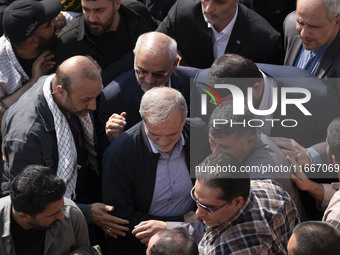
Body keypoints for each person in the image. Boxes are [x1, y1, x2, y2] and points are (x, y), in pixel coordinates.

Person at [1, 56, 129, 243]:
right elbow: (30, 201)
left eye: (96, 97)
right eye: (86, 100)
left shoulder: (65, 93)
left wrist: (112, 139)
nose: (93, 106)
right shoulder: (26, 136)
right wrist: (85, 213)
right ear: (60, 91)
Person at [102, 87, 208, 255]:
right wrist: (178, 222)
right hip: (142, 244)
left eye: (173, 134)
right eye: (155, 134)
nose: (164, 142)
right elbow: (119, 218)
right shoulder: (119, 154)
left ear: (184, 117)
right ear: (143, 116)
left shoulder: (201, 134)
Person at [192, 54, 340, 147]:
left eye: (233, 104)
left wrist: (309, 155)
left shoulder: (317, 97)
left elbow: (333, 142)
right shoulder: (202, 84)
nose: (226, 112)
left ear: (257, 89)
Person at [95, 31, 199, 154]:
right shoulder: (112, 98)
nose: (149, 80)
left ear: (175, 63)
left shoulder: (197, 84)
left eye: (158, 74)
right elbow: (105, 157)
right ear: (135, 57)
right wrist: (116, 141)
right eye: (142, 71)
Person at [195, 152, 298, 254]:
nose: (198, 213)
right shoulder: (273, 190)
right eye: (196, 199)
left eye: (208, 207)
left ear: (237, 202)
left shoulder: (229, 250)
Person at [0, 165, 101, 255]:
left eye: (62, 206)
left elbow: (85, 248)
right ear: (24, 216)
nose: (62, 216)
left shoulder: (71, 213)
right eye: (53, 214)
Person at [55, 0, 158, 86]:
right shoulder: (69, 43)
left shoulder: (136, 12)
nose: (92, 18)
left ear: (117, 3)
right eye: (86, 9)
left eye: (99, 10)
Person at [156, 0, 283, 69]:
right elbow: (155, 45)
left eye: (220, 2)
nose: (209, 8)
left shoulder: (264, 39)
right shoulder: (182, 12)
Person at [0, 0, 61, 122]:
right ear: (32, 42)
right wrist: (33, 83)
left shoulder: (58, 31)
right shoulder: (2, 72)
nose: (55, 23)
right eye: (49, 24)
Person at [283, 0, 340, 95]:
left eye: (313, 27)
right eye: (300, 23)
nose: (303, 34)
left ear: (337, 22)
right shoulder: (290, 26)